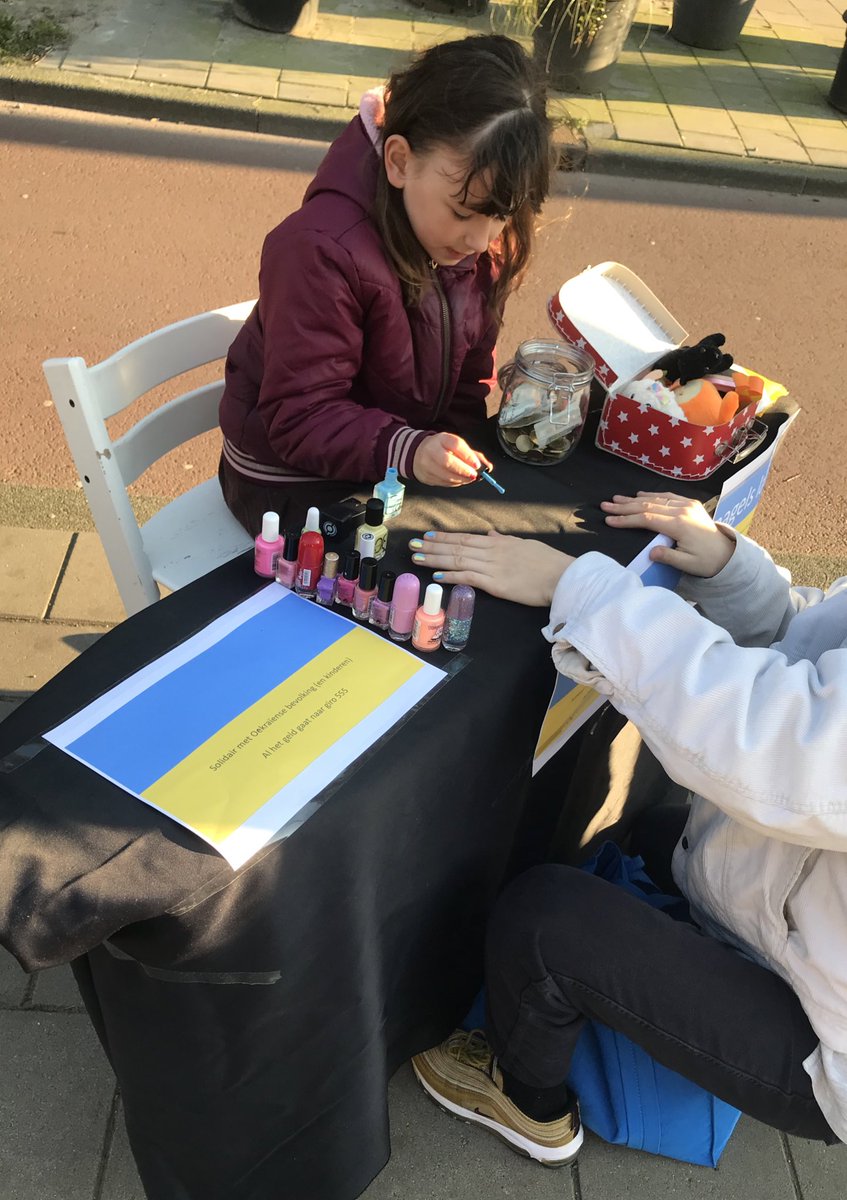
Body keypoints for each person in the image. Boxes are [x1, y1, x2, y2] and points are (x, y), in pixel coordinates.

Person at [407, 491, 846, 1164]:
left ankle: (528, 1101)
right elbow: (813, 659)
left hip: (823, 1044)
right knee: (642, 837)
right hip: (796, 903)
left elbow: (780, 748)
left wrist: (572, 586)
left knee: (544, 916)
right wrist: (735, 573)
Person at [218, 35, 551, 536]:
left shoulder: (469, 236)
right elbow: (301, 416)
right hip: (289, 482)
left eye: (500, 216)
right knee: (420, 592)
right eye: (462, 212)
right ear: (398, 162)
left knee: (511, 540)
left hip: (397, 459)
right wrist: (409, 450)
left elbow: (467, 372)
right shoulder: (320, 249)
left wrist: (458, 442)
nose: (481, 240)